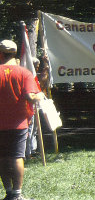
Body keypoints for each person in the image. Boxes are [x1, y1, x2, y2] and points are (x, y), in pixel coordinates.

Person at [0, 40, 44, 200]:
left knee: (2, 158)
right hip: (18, 123)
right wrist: (39, 95)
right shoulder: (23, 73)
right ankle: (17, 195)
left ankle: (9, 192)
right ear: (15, 53)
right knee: (17, 157)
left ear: (1, 54)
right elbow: (29, 97)